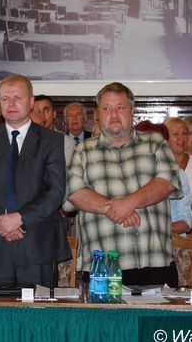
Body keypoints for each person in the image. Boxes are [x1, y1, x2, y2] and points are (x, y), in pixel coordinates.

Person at [67, 82, 183, 287]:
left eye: (120, 107)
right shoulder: (83, 150)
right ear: (98, 115)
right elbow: (74, 193)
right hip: (102, 266)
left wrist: (129, 203)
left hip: (155, 261)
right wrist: (115, 208)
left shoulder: (155, 142)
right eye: (106, 108)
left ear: (132, 111)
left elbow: (167, 182)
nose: (113, 114)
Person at [0, 75, 69, 287]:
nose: (11, 104)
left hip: (36, 243)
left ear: (31, 101)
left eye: (17, 98)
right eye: (5, 99)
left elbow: (55, 191)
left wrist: (20, 218)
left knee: (38, 309)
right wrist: (1, 222)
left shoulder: (51, 140)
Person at [163, 118, 192, 235]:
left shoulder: (180, 174)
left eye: (185, 133)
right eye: (175, 134)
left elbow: (185, 215)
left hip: (180, 234)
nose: (181, 138)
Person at [31, 94, 75, 166]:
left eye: (46, 110)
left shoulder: (66, 141)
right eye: (37, 111)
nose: (42, 115)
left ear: (54, 114)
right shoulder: (26, 139)